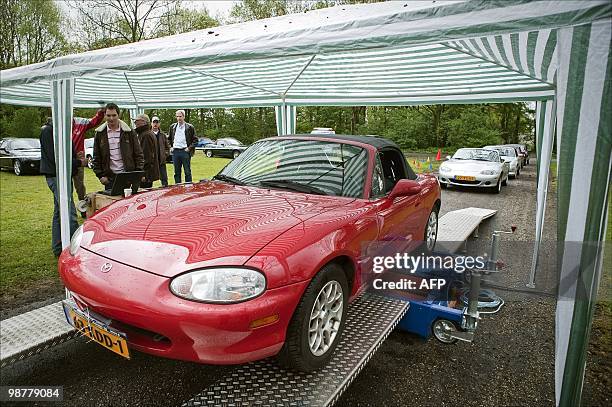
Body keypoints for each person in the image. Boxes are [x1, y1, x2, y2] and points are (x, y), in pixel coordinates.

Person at [39, 118, 88, 257]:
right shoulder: (49, 131)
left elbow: (61, 155)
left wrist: (75, 156)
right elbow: (57, 159)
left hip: (59, 176)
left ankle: (57, 248)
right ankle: (76, 247)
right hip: (57, 176)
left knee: (59, 212)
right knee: (69, 211)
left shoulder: (54, 131)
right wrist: (78, 162)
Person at [92, 103, 144, 190]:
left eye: (114, 115)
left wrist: (136, 174)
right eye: (108, 115)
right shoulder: (100, 134)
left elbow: (138, 154)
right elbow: (96, 157)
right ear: (105, 116)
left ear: (118, 115)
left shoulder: (129, 132)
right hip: (109, 178)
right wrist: (100, 176)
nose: (111, 118)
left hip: (128, 176)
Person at [72, 109, 104, 217]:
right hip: (64, 159)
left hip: (79, 159)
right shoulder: (58, 124)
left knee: (79, 186)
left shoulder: (80, 122)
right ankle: (68, 210)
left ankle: (83, 208)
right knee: (65, 187)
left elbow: (94, 122)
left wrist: (100, 113)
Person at [168, 110, 197, 183]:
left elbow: (195, 140)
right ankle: (177, 188)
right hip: (175, 152)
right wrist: (170, 147)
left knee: (187, 171)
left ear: (184, 117)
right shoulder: (172, 127)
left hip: (185, 151)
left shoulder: (190, 127)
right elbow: (168, 139)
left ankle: (189, 187)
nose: (178, 118)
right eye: (177, 116)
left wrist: (189, 148)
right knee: (176, 172)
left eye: (180, 116)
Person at [133, 113, 160, 188]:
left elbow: (147, 157)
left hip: (145, 175)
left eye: (137, 121)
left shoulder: (146, 135)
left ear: (144, 122)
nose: (135, 123)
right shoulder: (146, 133)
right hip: (147, 173)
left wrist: (144, 175)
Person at [151, 116, 170, 187]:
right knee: (150, 179)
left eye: (157, 122)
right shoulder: (148, 134)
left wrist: (165, 155)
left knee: (164, 179)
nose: (155, 124)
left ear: (159, 124)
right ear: (151, 124)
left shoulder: (163, 135)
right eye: (154, 122)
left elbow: (167, 147)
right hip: (152, 162)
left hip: (161, 161)